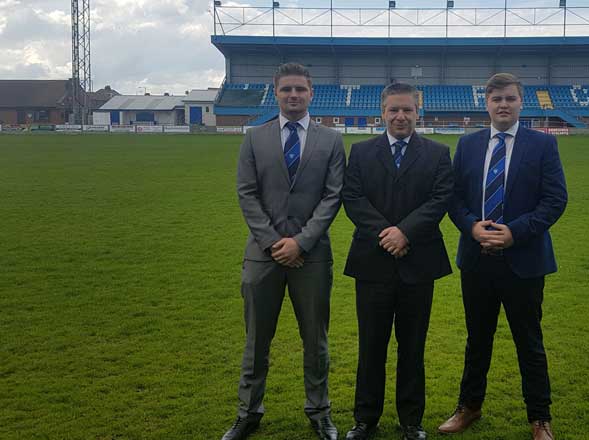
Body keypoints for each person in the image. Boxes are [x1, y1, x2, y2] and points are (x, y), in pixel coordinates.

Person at [438, 73, 568, 440]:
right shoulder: (468, 145)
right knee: (477, 338)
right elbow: (454, 199)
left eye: (510, 98)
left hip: (524, 260)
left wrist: (516, 232)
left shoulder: (543, 146)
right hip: (477, 258)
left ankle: (540, 418)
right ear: (487, 103)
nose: (503, 105)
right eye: (497, 99)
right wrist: (470, 227)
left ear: (521, 102)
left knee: (529, 341)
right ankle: (469, 407)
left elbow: (555, 200)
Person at [221, 63, 345, 440]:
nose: (293, 95)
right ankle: (248, 413)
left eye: (300, 90)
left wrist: (301, 242)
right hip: (263, 256)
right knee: (257, 340)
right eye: (287, 89)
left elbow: (332, 196)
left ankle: (319, 411)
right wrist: (274, 242)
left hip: (311, 256)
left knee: (316, 340)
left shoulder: (331, 140)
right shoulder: (254, 137)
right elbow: (246, 193)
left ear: (311, 94)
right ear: (275, 93)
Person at [341, 82, 453, 440]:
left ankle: (411, 421)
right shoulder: (359, 152)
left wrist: (405, 232)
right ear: (382, 113)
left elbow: (439, 200)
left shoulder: (437, 153)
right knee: (370, 346)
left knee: (413, 347)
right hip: (372, 264)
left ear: (417, 112)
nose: (400, 116)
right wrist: (388, 234)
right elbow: (353, 199)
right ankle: (365, 420)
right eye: (394, 110)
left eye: (407, 110)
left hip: (418, 264)